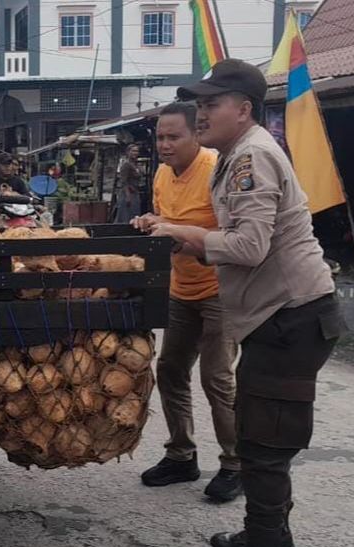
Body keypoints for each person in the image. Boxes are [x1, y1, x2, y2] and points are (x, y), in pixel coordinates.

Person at [148, 59, 346, 547]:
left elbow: (250, 246)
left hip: (290, 316)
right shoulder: (242, 152)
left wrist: (182, 232)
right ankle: (271, 536)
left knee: (261, 443)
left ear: (244, 108)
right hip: (284, 315)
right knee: (265, 433)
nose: (202, 111)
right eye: (201, 103)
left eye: (212, 103)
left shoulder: (250, 156)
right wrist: (190, 240)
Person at [132, 102, 240, 501]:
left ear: (197, 135)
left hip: (221, 291)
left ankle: (235, 463)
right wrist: (150, 222)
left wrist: (175, 230)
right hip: (181, 288)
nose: (164, 144)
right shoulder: (162, 173)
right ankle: (182, 455)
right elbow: (166, 221)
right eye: (160, 137)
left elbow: (236, 236)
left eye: (173, 136)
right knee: (172, 370)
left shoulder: (217, 171)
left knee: (217, 379)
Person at [114, 143, 144, 224]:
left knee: (135, 215)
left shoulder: (136, 165)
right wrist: (128, 196)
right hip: (128, 194)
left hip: (135, 192)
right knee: (125, 216)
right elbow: (124, 181)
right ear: (128, 152)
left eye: (137, 151)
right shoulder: (126, 165)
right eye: (133, 151)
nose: (135, 153)